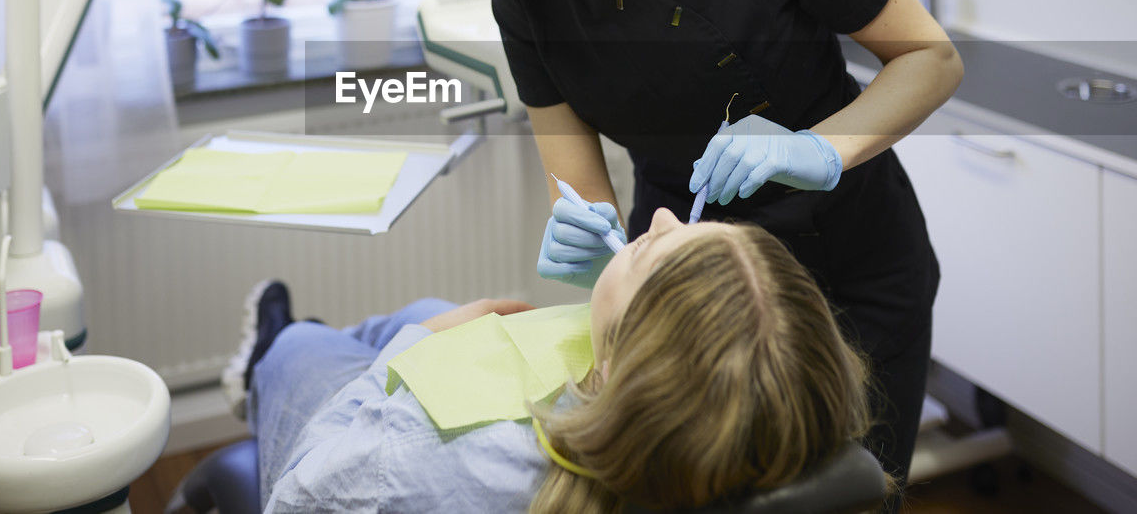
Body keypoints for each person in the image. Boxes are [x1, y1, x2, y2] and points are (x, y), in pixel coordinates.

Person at [415, 0, 963, 509]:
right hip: (688, 299)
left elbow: (931, 60)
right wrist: (590, 245)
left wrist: (821, 149)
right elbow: (581, 196)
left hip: (856, 260)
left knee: (845, 497)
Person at [231, 210, 876, 512]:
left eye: (654, 247)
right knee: (424, 306)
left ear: (631, 355)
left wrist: (418, 345)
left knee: (306, 352)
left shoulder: (422, 449)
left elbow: (297, 501)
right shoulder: (764, 417)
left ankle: (268, 350)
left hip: (353, 424)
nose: (657, 215)